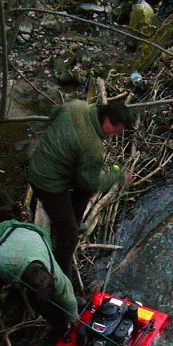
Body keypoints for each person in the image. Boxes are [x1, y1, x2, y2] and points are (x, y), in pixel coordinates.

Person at [27, 99, 132, 284]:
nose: (117, 134)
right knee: (69, 238)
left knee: (83, 191)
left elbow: (53, 115)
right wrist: (118, 177)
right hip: (47, 184)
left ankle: (72, 222)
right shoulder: (92, 146)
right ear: (107, 121)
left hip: (39, 162)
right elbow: (89, 181)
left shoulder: (77, 106)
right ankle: (62, 278)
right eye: (117, 130)